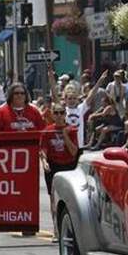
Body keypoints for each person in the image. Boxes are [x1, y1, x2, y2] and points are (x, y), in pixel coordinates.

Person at [40, 103, 79, 241]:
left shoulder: (72, 129)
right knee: (53, 198)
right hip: (53, 166)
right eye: (56, 113)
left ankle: (71, 228)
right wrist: (44, 162)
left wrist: (65, 135)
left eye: (61, 113)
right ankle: (56, 229)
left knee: (69, 198)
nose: (59, 116)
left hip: (68, 165)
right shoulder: (47, 131)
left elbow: (74, 151)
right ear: (52, 114)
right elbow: (43, 150)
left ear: (65, 114)